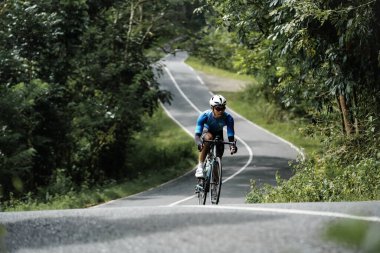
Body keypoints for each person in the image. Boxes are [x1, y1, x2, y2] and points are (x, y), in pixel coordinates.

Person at [194, 94, 238, 178]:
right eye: (218, 108)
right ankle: (200, 167)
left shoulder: (228, 118)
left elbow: (230, 135)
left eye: (223, 108)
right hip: (207, 131)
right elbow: (197, 135)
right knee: (208, 138)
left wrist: (232, 146)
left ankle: (215, 183)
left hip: (218, 133)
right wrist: (199, 143)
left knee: (218, 158)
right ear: (212, 108)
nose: (221, 111)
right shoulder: (204, 116)